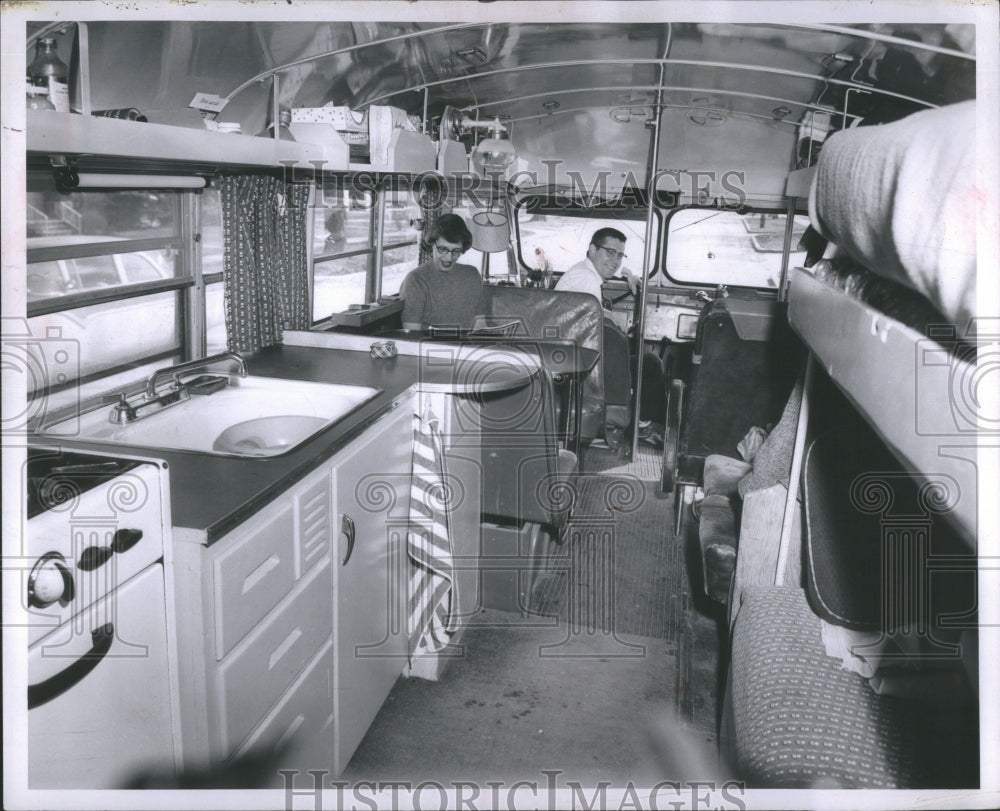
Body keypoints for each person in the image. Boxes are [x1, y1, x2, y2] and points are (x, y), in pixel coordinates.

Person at [556, 228, 666, 448]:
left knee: (646, 363)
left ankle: (643, 424)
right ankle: (644, 426)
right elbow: (595, 314)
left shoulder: (585, 270)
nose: (615, 260)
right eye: (610, 252)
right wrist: (612, 316)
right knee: (651, 364)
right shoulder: (587, 279)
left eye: (620, 255)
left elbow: (607, 275)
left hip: (580, 351)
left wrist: (628, 274)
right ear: (592, 249)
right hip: (581, 361)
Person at [400, 213, 485, 331]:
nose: (449, 258)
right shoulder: (416, 279)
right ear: (432, 244)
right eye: (443, 249)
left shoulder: (472, 275)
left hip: (467, 347)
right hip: (430, 347)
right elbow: (411, 335)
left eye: (456, 251)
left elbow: (480, 325)